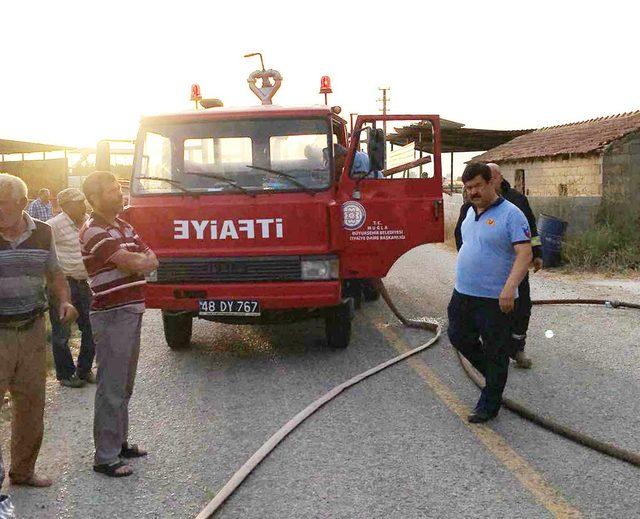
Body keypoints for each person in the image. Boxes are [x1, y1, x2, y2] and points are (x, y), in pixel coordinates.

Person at [0, 173, 78, 487]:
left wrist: (65, 301)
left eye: (2, 204)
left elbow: (55, 273)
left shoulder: (43, 233)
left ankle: (22, 472)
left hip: (32, 330)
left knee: (31, 405)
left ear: (22, 203)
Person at [80, 171, 158, 478]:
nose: (118, 193)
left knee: (124, 384)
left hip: (132, 310)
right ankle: (105, 457)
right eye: (111, 191)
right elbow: (137, 261)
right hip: (112, 314)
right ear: (95, 199)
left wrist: (142, 259)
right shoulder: (93, 230)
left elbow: (152, 256)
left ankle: (120, 443)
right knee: (111, 386)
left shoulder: (124, 226)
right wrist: (140, 260)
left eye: (117, 188)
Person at [448, 162, 532, 423]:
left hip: (495, 298)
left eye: (477, 186)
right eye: (468, 187)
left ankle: (489, 404)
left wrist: (509, 288)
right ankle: (495, 375)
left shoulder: (512, 213)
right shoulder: (469, 212)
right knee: (457, 335)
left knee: (496, 349)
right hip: (463, 292)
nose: (472, 192)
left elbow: (524, 253)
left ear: (491, 184)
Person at [454, 163, 542, 368]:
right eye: (470, 186)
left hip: (513, 269)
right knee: (479, 325)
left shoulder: (517, 202)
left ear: (497, 179)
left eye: (491, 178)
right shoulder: (469, 206)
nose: (476, 190)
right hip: (483, 279)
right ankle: (494, 358)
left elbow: (532, 230)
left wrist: (538, 254)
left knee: (521, 308)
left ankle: (517, 347)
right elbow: (461, 235)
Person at [47, 188, 96, 388]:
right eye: (78, 202)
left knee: (92, 328)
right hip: (62, 286)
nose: (83, 205)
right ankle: (66, 375)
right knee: (61, 332)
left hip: (83, 284)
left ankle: (84, 370)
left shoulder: (88, 220)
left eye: (83, 201)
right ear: (66, 206)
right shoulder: (53, 226)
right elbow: (46, 253)